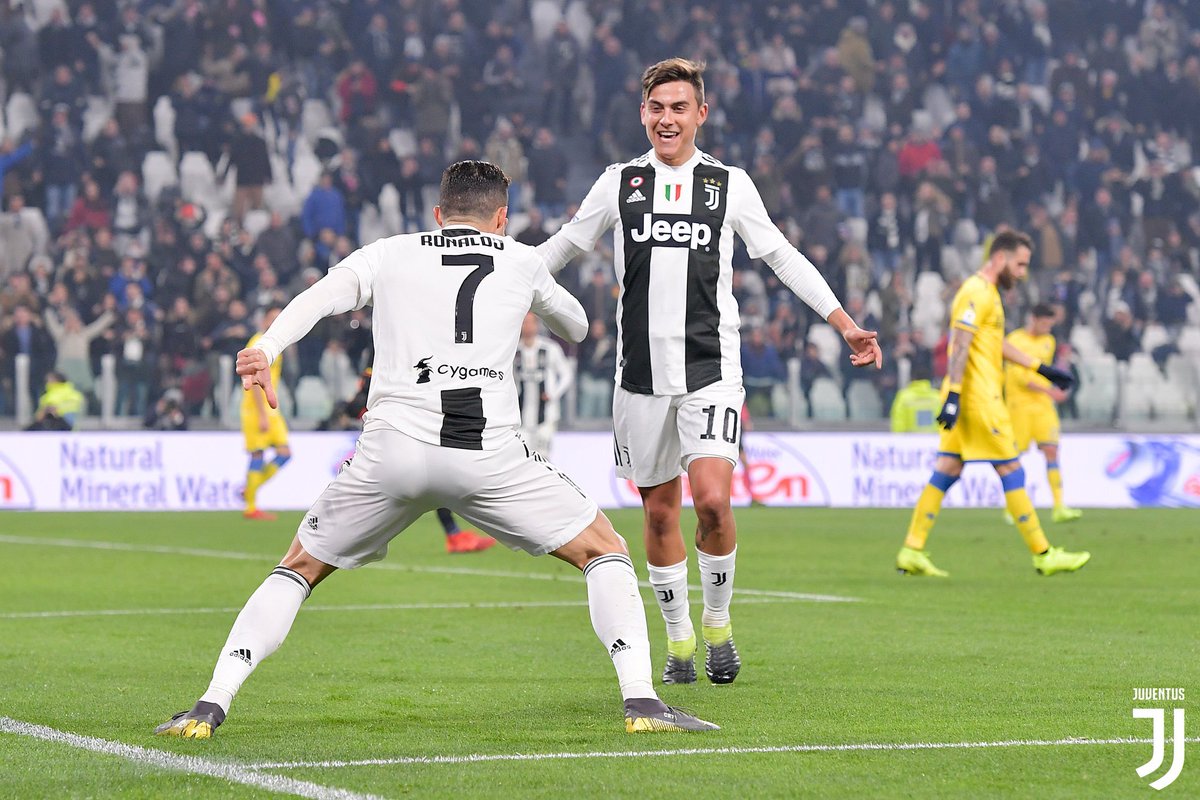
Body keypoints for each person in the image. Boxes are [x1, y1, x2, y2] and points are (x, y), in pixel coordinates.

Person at [156, 161, 716, 739]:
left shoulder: (389, 252)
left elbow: (320, 297)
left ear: (438, 213)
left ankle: (210, 704)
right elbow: (576, 327)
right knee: (605, 550)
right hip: (488, 456)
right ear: (501, 218)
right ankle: (642, 701)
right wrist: (529, 284)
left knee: (298, 567)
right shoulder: (520, 259)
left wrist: (267, 347)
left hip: (391, 452)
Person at [535, 58, 882, 686]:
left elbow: (781, 255)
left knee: (714, 503)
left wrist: (843, 321)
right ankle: (679, 641)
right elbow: (561, 249)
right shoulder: (619, 184)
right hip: (639, 376)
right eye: (657, 108)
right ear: (643, 114)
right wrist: (500, 286)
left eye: (679, 108)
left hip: (712, 369)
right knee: (660, 514)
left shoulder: (729, 185)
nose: (667, 119)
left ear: (701, 113)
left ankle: (718, 624)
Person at [896, 231, 1091, 578]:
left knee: (947, 469)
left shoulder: (990, 295)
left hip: (969, 396)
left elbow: (995, 344)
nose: (1022, 273)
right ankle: (1043, 554)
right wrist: (955, 395)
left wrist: (1042, 369)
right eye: (1020, 265)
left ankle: (912, 549)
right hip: (977, 399)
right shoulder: (976, 291)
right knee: (1012, 469)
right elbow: (961, 342)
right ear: (1000, 258)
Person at [344, 366, 496, 555]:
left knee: (436, 483)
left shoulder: (399, 367)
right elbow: (355, 405)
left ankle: (454, 534)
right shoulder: (381, 370)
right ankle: (355, 535)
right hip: (385, 443)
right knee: (386, 492)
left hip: (401, 438)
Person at [1004, 304, 1083, 523]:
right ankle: (1013, 507)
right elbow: (1021, 378)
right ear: (1033, 319)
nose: (1048, 328)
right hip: (1019, 406)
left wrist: (1056, 382)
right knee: (1013, 458)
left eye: (1050, 325)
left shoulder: (1049, 341)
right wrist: (1051, 391)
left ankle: (1059, 506)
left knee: (1051, 450)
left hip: (1042, 406)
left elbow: (1044, 372)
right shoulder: (1014, 340)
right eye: (1045, 324)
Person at [241, 306, 292, 521]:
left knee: (285, 453)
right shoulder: (257, 343)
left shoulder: (275, 345)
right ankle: (251, 506)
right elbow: (252, 382)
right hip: (256, 409)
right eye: (272, 319)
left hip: (272, 410)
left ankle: (250, 490)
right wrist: (261, 414)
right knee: (258, 454)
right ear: (264, 321)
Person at [514, 312, 572, 456]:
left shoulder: (550, 348)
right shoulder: (514, 351)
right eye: (524, 322)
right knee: (522, 457)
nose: (527, 326)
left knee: (543, 456)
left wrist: (553, 394)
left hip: (547, 414)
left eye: (530, 322)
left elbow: (566, 374)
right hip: (520, 416)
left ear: (537, 325)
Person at [889, 362, 942, 433]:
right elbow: (944, 423)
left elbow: (898, 422)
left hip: (910, 439)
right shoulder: (937, 397)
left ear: (912, 378)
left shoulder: (904, 397)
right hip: (934, 439)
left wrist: (898, 438)